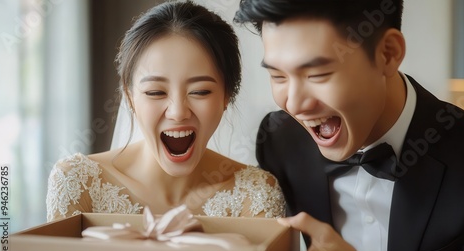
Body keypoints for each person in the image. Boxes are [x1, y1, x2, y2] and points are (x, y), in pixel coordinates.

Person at [234, 0, 464, 251]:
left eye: (318, 74)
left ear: (388, 53)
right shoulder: (278, 141)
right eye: (278, 76)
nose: (295, 104)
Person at [46, 1, 285, 222]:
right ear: (130, 98)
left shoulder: (254, 194)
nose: (178, 112)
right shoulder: (77, 183)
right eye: (155, 92)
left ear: (227, 96)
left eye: (200, 91)